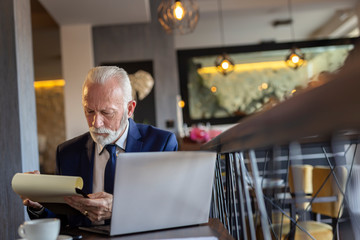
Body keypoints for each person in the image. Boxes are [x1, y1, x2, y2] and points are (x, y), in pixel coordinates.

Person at [22, 66, 178, 226]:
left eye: (107, 112)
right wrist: (40, 205)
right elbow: (63, 221)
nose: (96, 123)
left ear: (129, 109)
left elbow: (172, 207)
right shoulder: (66, 153)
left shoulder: (161, 144)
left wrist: (119, 207)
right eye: (89, 111)